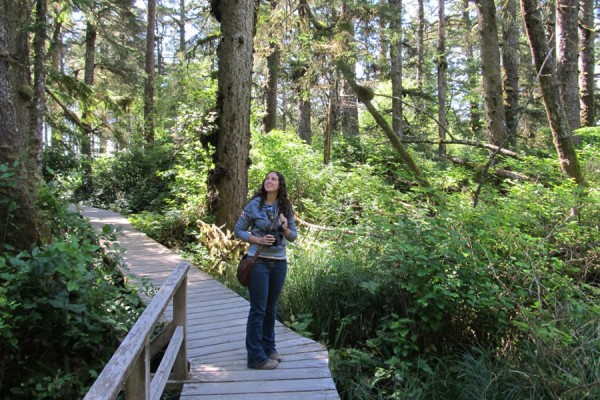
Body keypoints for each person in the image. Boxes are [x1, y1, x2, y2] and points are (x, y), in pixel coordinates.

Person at [234, 171, 297, 370]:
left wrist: (285, 228)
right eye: (267, 178)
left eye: (274, 179)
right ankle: (255, 356)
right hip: (259, 261)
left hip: (279, 262)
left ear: (280, 184)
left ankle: (269, 348)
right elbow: (239, 230)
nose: (269, 181)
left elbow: (293, 236)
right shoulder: (254, 204)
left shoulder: (285, 207)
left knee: (271, 308)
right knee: (258, 309)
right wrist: (258, 240)